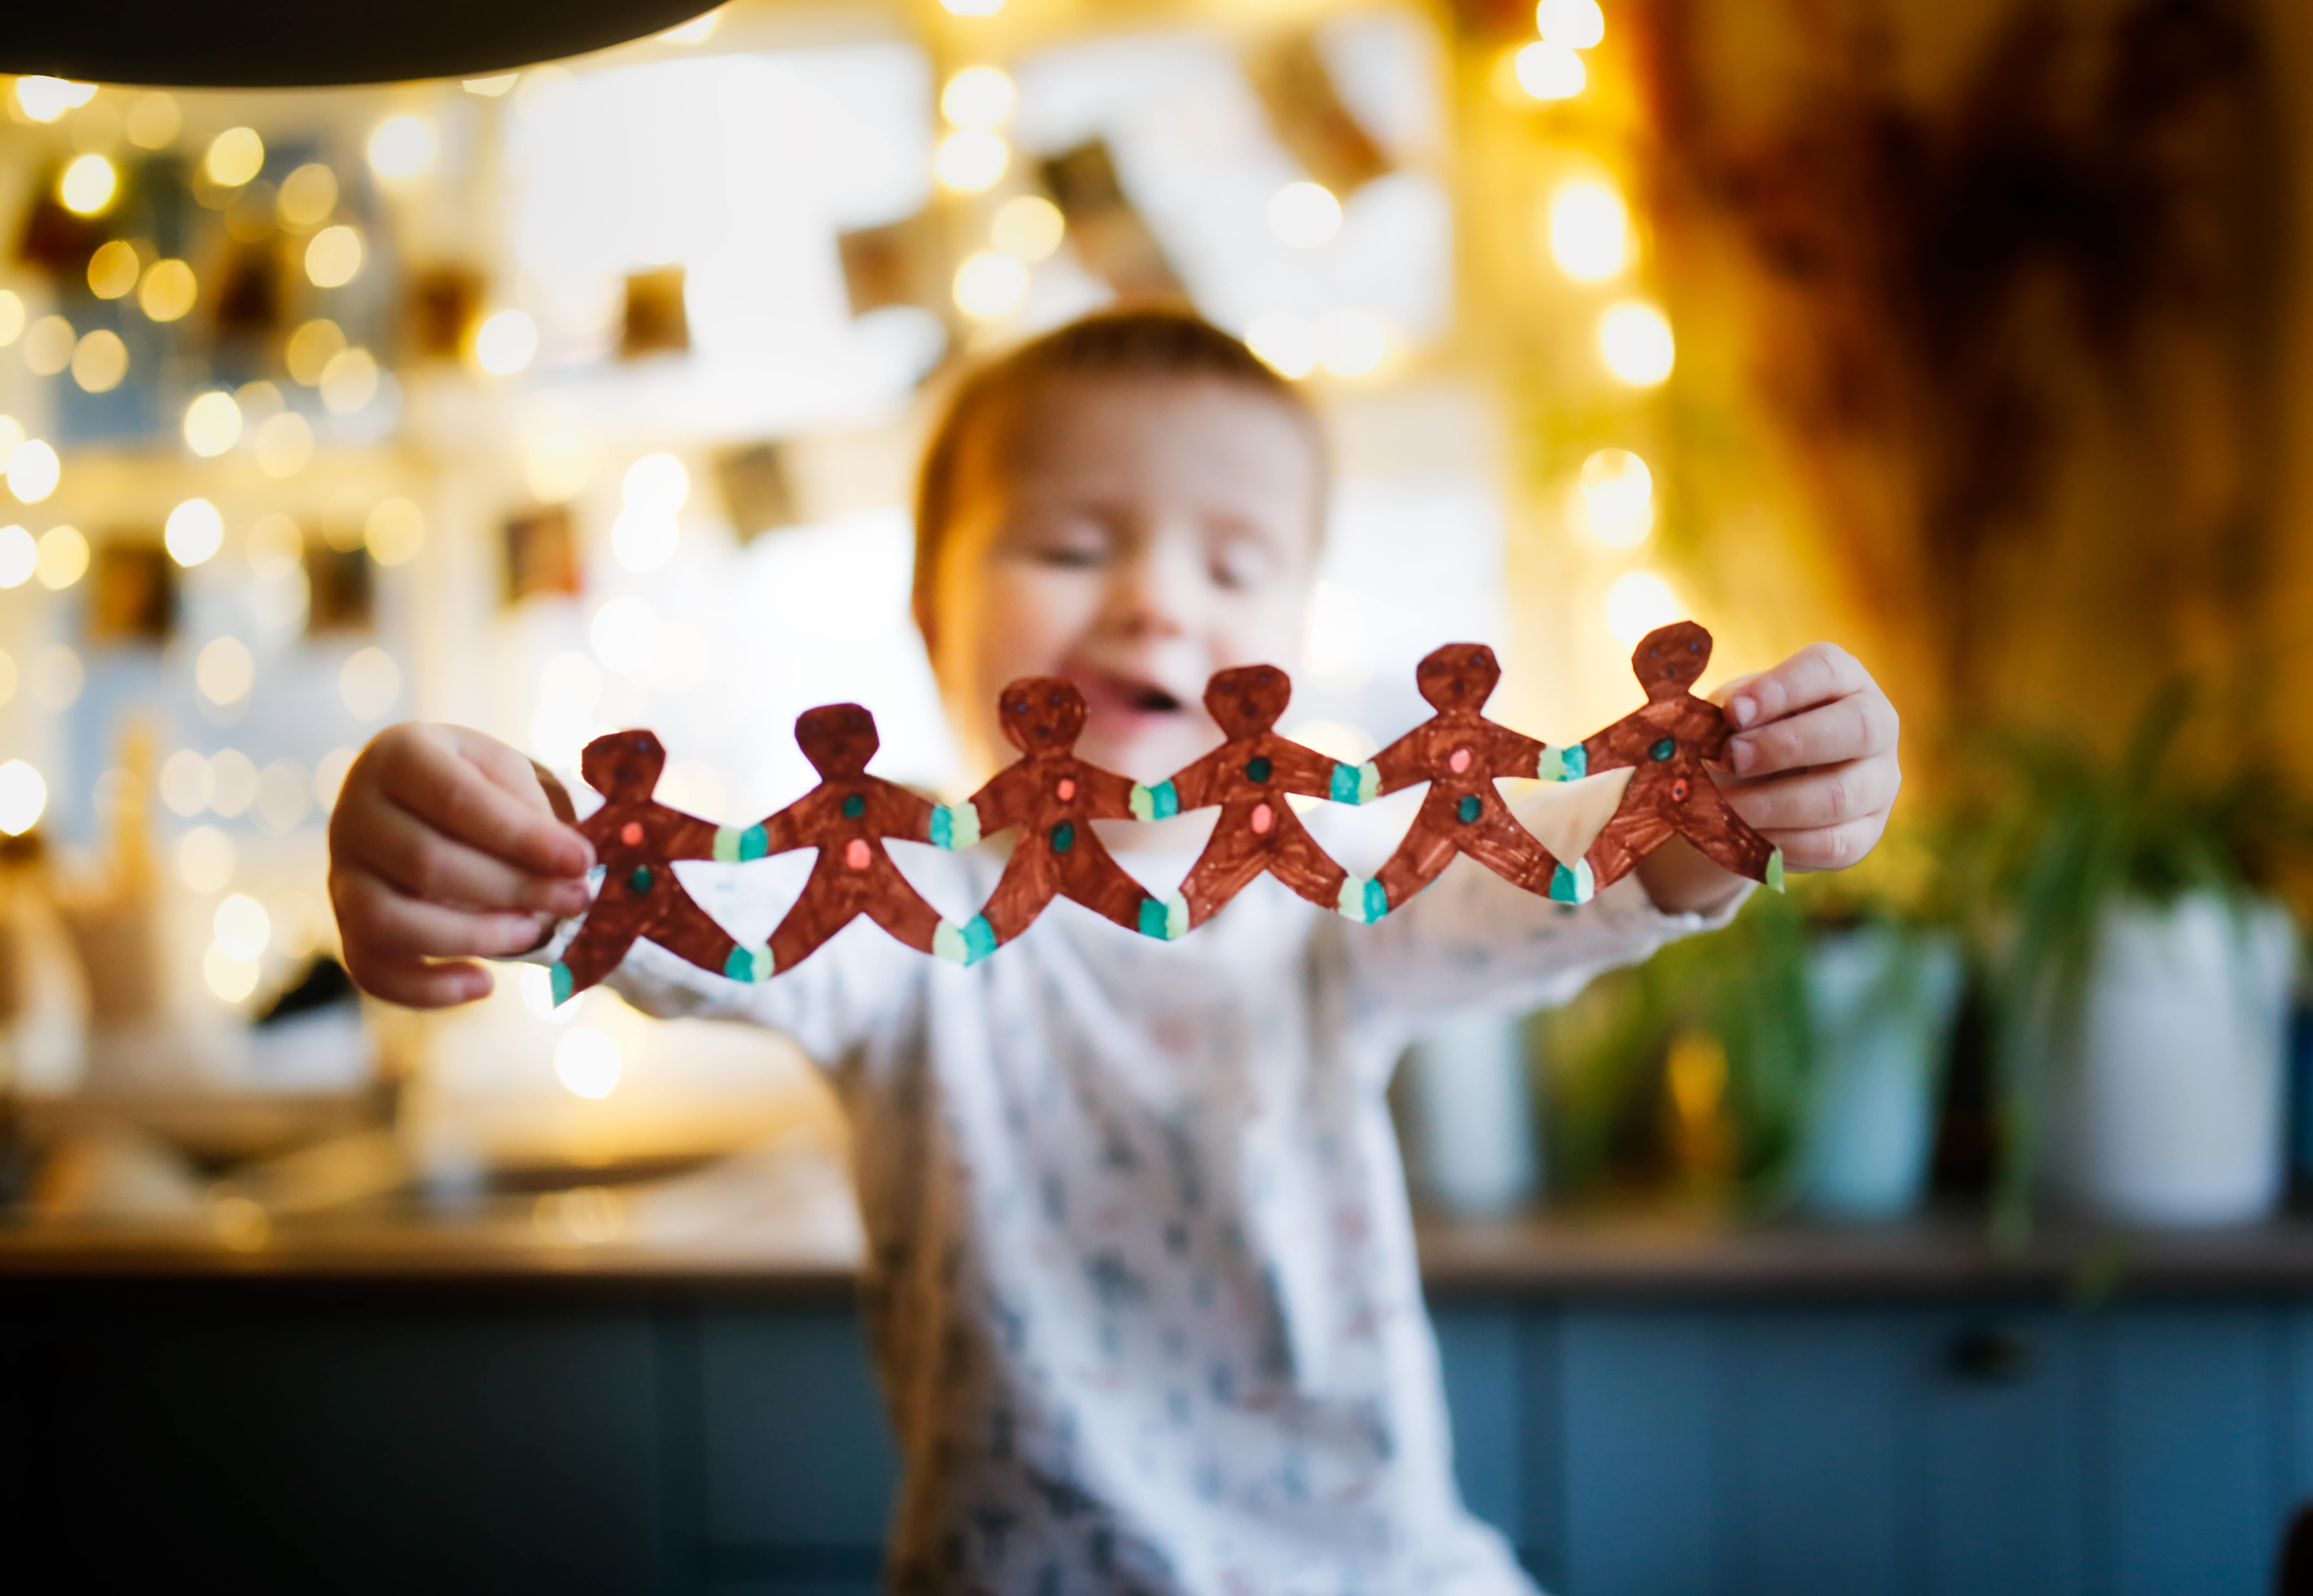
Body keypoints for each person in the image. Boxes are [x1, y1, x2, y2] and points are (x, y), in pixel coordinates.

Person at [328, 308, 1901, 1593]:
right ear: (933, 624)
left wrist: (1744, 799)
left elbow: (1584, 869)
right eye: (1075, 546)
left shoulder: (1346, 887)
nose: (1156, 601)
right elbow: (663, 903)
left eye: (1233, 567)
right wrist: (490, 842)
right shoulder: (902, 917)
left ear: (1295, 640)